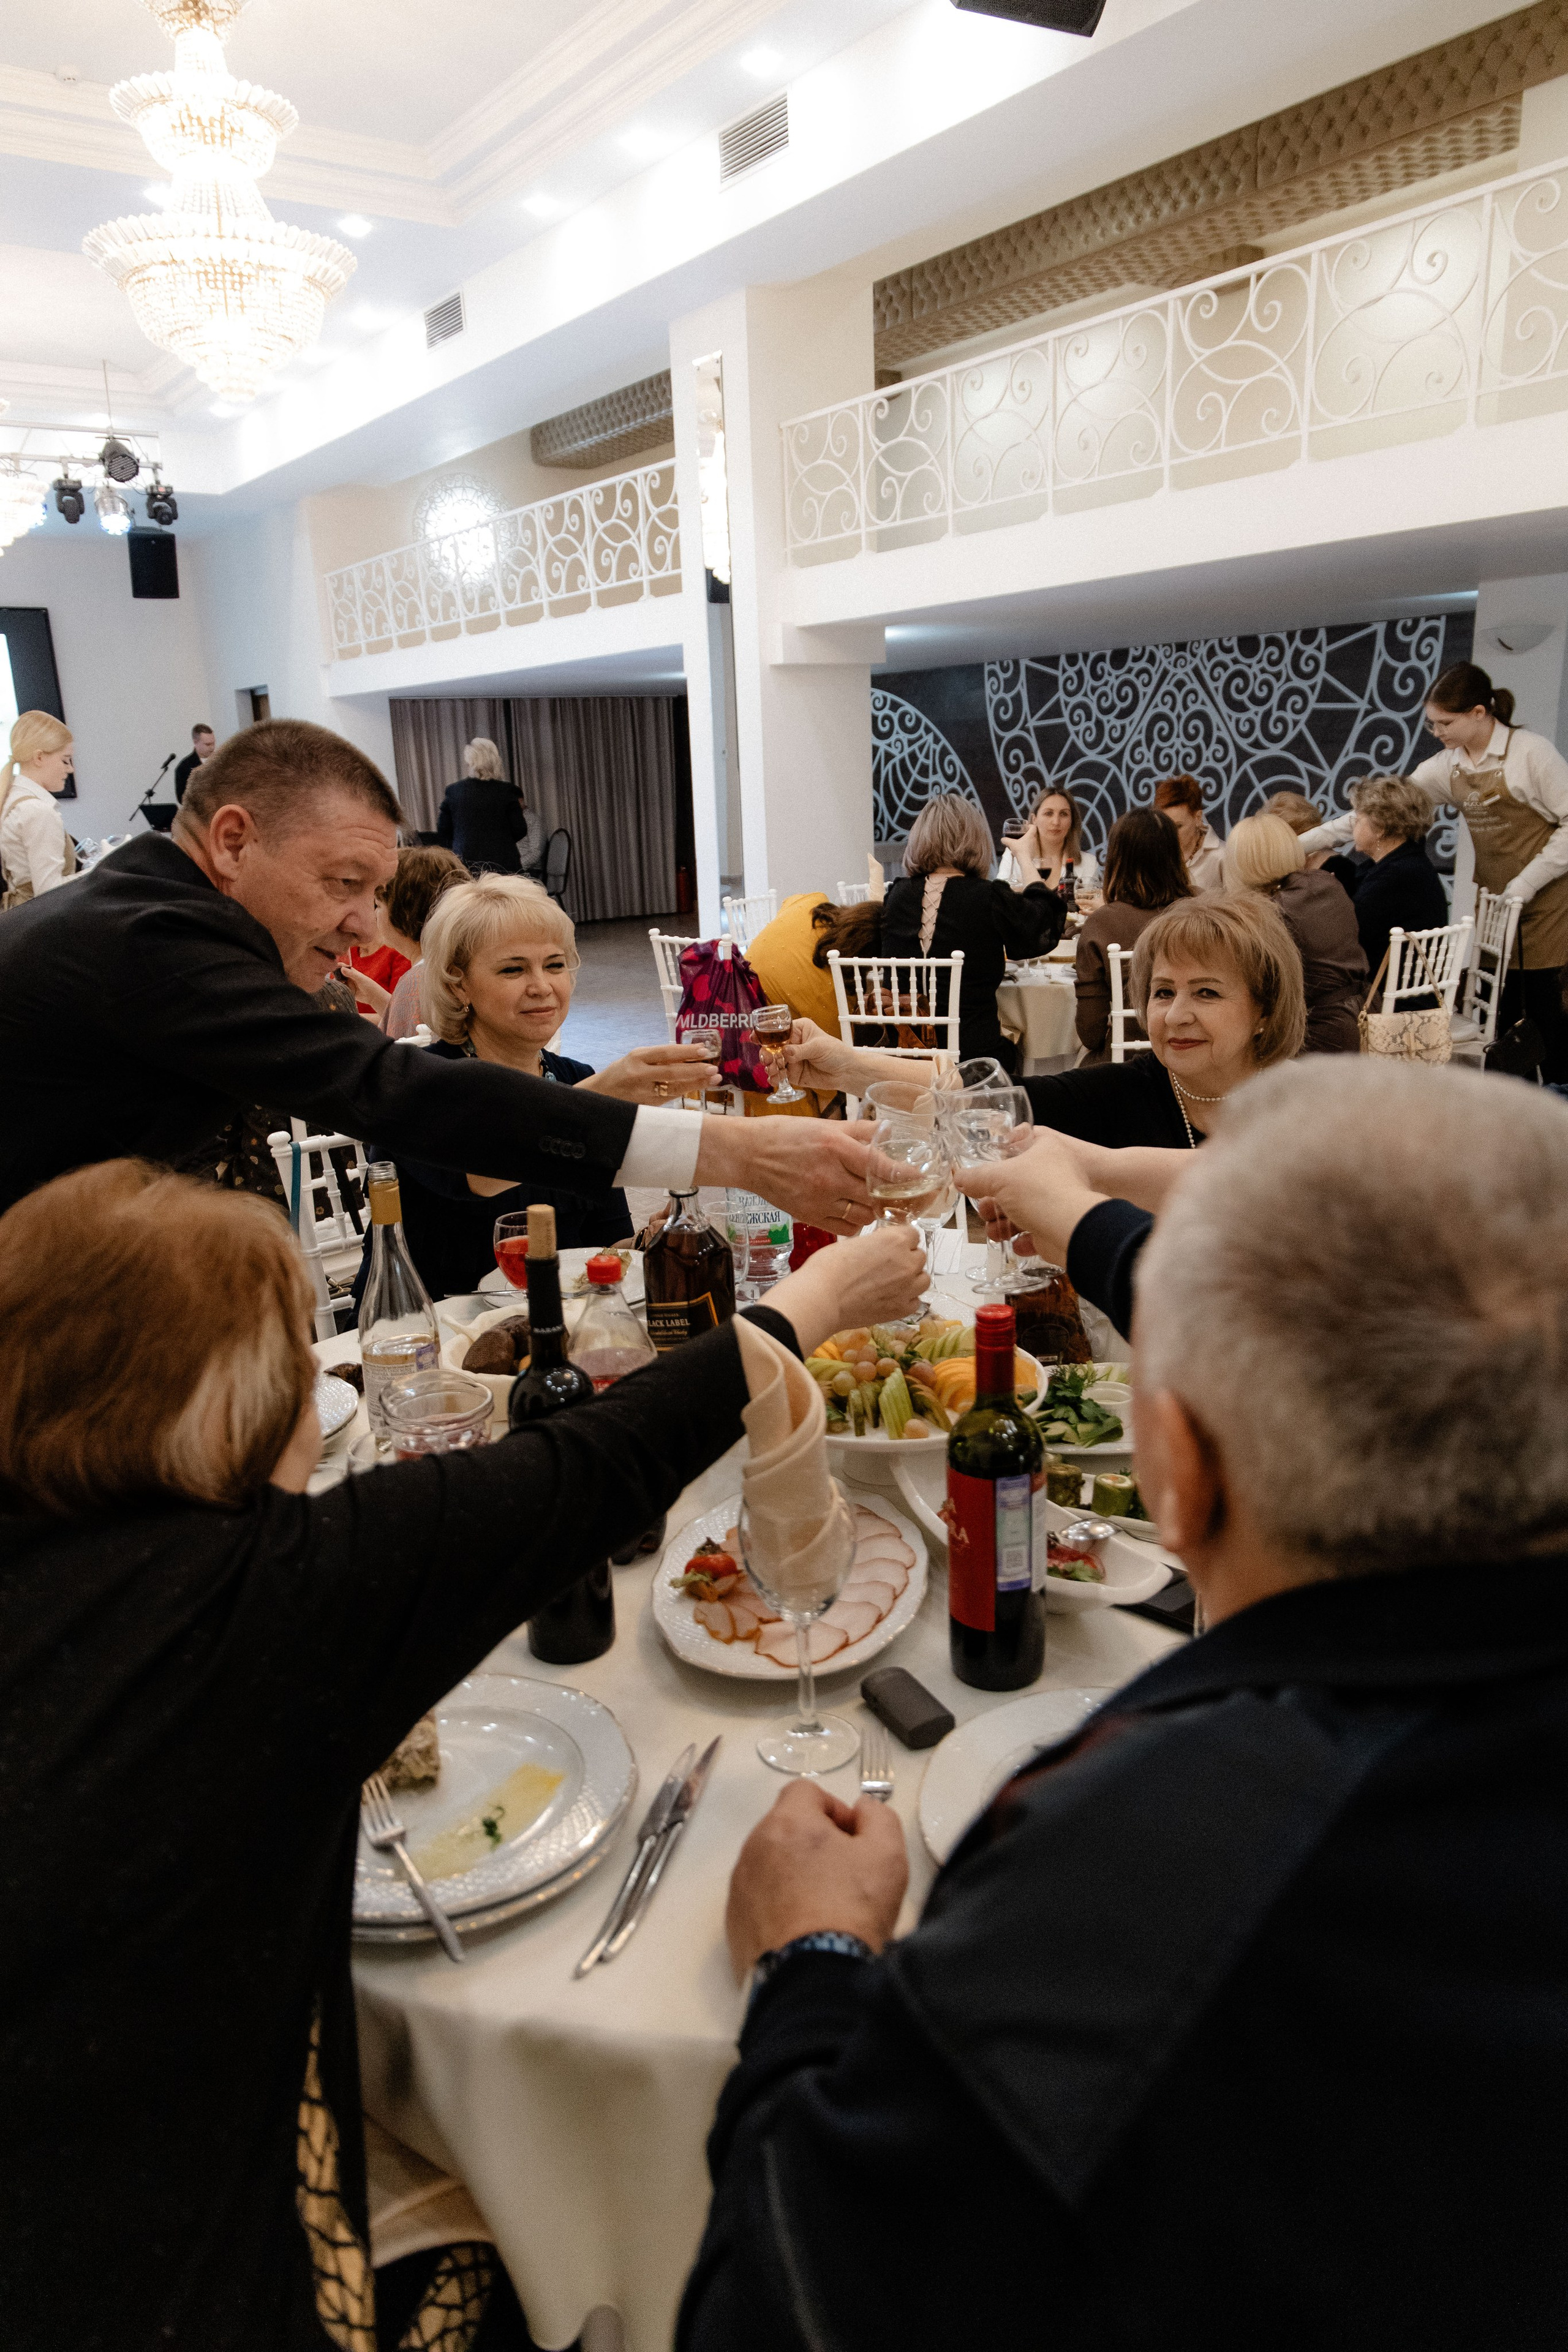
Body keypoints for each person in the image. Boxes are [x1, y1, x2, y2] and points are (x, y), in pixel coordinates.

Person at [678, 1057, 1568, 2352]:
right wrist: (1079, 1192)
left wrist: (803, 1966)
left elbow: (781, 2300)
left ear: (1170, 1466)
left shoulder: (1164, 1859)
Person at [0, 1158, 925, 2351]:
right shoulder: (258, 1604)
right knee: (526, 2246)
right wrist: (820, 1295)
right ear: (240, 1404)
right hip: (186, 2297)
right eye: (301, 1359)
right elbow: (594, 1463)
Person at [0, 717, 880, 1234]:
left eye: (373, 894)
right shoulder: (152, 937)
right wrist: (744, 1150)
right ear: (233, 841)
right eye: (342, 883)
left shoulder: (143, 909)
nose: (360, 922)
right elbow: (393, 1090)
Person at [787, 894, 1306, 1153]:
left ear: (1263, 1009)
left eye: (1207, 993)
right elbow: (982, 1098)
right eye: (1163, 992)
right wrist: (846, 1066)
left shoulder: (1309, 1112)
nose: (1175, 1015)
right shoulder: (1127, 1092)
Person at [382, 873, 687, 1294]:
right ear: (458, 983)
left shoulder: (576, 1079)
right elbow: (483, 1175)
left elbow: (603, 1245)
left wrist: (646, 1242)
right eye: (513, 969)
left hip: (553, 1321)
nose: (542, 987)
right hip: (439, 1328)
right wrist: (603, 1098)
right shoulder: (419, 1084)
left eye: (555, 965)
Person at [1302, 663, 1568, 1079]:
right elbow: (1376, 811)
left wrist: (1528, 882)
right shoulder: (1448, 767)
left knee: (1545, 1005)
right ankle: (1517, 1097)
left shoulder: (1531, 754)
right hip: (1498, 896)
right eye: (1432, 725)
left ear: (1480, 713)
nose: (1438, 732)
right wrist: (1299, 845)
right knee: (1506, 1012)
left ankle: (1553, 1097)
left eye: (1445, 722)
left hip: (1549, 899)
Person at [880, 793, 1065, 1071]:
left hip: (903, 1060)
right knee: (1022, 1048)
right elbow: (1044, 927)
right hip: (974, 1060)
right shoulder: (989, 897)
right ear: (974, 840)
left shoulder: (895, 896)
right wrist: (1025, 856)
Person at [1223, 810, 1366, 1054]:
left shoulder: (1269, 913)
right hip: (1362, 1016)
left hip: (1314, 1037)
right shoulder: (1326, 882)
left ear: (1241, 863)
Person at [742, 894, 883, 1118]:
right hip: (757, 1048)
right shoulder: (826, 993)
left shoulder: (811, 902)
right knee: (827, 1058)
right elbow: (834, 1070)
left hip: (729, 1005)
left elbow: (788, 901)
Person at [1074, 808, 1191, 1062]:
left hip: (1127, 1069)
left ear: (1116, 858)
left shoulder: (1102, 925)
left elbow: (1090, 1033)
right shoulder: (1203, 911)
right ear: (1175, 855)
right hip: (1197, 1061)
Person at [333, 843, 468, 1033]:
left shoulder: (416, 980)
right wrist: (375, 997)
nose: (376, 914)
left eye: (378, 906)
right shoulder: (451, 968)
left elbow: (403, 1045)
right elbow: (418, 1020)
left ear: (403, 914)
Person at [1338, 774, 1451, 986]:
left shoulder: (1398, 875)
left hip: (1391, 997)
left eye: (1358, 818)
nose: (1353, 825)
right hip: (1394, 983)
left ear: (1380, 828)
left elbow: (1347, 937)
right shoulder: (1404, 863)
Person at [435, 737, 545, 876]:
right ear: (495, 762)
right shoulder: (508, 791)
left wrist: (462, 841)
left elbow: (443, 829)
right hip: (504, 865)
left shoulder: (454, 791)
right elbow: (520, 829)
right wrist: (500, 839)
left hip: (466, 866)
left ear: (471, 763)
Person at [0, 711, 75, 907]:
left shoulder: (11, 800)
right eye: (65, 760)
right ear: (39, 757)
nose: (70, 769)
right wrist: (100, 870)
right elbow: (50, 892)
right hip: (38, 923)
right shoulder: (37, 811)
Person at [997, 785, 1100, 898]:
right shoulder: (1014, 855)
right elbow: (1000, 900)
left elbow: (1092, 911)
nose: (1056, 822)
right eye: (1049, 813)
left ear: (1071, 822)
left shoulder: (1089, 863)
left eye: (1064, 814)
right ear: (1034, 819)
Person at [1152, 772, 1226, 889]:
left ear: (1198, 818)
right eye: (1165, 826)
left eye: (1178, 827)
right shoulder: (1155, 857)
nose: (1170, 835)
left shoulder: (1223, 857)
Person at [173, 721, 216, 804]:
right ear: (195, 742)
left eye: (213, 743)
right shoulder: (184, 767)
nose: (212, 748)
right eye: (208, 744)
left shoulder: (221, 760)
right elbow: (182, 799)